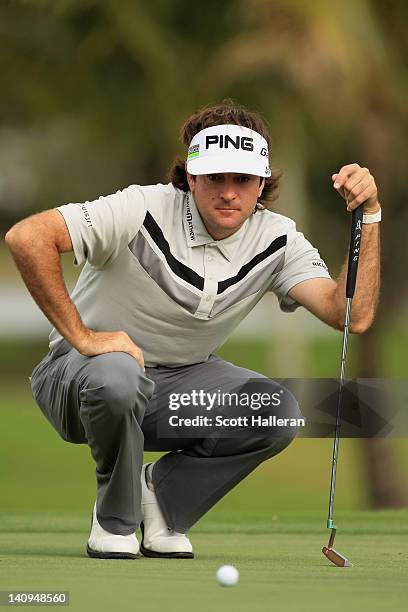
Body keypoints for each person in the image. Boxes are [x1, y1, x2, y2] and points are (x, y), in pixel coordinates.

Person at [5, 102, 381, 560]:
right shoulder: (141, 207)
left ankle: (163, 501)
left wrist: (370, 216)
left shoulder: (277, 237)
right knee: (118, 374)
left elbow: (350, 315)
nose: (228, 193)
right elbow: (28, 237)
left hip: (176, 387)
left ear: (261, 183)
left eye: (241, 180)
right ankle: (115, 519)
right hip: (78, 381)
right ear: (190, 178)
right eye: (214, 178)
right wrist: (84, 337)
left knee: (274, 410)